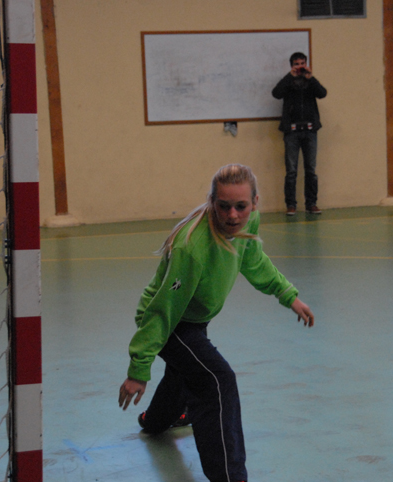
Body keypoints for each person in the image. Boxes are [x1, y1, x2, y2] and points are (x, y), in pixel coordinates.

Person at [118, 164, 315, 482]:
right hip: (171, 322)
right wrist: (138, 369)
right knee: (216, 380)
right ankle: (229, 475)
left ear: (255, 203)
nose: (233, 216)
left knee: (186, 370)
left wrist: (287, 295)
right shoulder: (192, 247)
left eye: (241, 206)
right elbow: (163, 310)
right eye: (224, 206)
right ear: (212, 202)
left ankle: (154, 421)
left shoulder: (247, 222)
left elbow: (254, 260)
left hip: (195, 318)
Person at [272, 52, 327, 216]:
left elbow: (322, 93)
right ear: (291, 66)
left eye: (302, 63)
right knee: (291, 171)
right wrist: (290, 76)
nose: (300, 67)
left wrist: (311, 78)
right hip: (292, 132)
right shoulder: (288, 82)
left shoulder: (310, 82)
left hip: (310, 131)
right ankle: (291, 205)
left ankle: (311, 204)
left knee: (311, 170)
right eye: (297, 64)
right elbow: (276, 93)